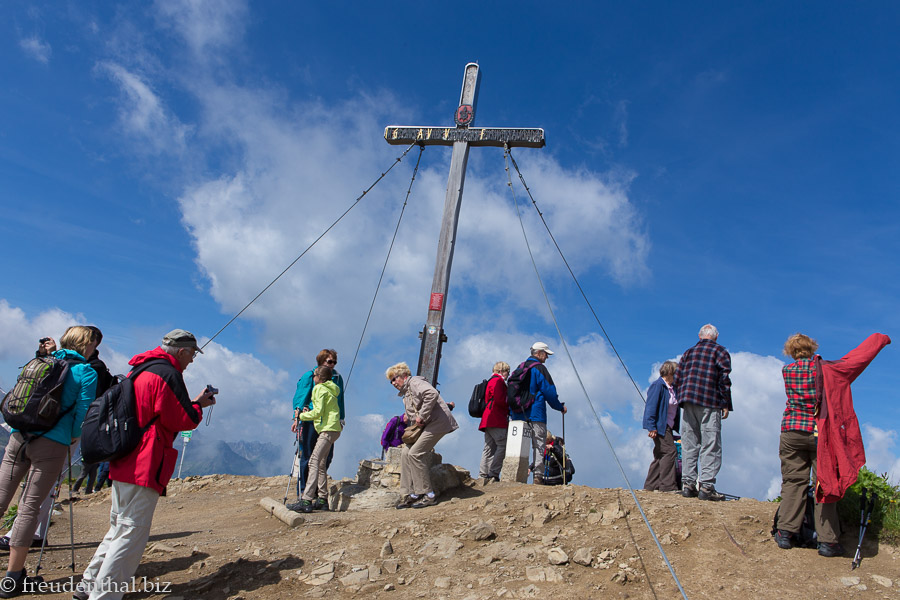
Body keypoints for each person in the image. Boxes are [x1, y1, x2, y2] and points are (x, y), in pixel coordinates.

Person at [74, 329, 216, 600]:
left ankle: (88, 585)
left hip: (124, 455)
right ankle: (104, 595)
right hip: (146, 459)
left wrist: (192, 402)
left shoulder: (141, 368)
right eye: (192, 355)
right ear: (182, 351)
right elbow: (181, 419)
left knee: (119, 526)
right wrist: (199, 406)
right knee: (132, 533)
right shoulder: (168, 374)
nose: (193, 361)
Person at [0, 326, 98, 597]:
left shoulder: (43, 360)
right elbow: (83, 413)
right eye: (92, 345)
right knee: (29, 508)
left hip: (18, 437)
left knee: (0, 497)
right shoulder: (85, 372)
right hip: (52, 444)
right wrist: (73, 438)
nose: (94, 349)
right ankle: (13, 578)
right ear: (86, 344)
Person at [774, 332, 891, 558]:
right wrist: (879, 339)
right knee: (824, 485)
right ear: (812, 348)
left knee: (792, 482)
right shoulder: (827, 369)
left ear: (790, 351)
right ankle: (827, 542)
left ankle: (786, 533)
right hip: (821, 434)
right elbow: (857, 359)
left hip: (791, 431)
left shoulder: (787, 371)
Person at [386, 362, 458, 509]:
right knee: (406, 453)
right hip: (429, 424)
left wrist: (422, 416)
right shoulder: (406, 392)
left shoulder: (415, 382)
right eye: (391, 380)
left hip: (438, 423)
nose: (393, 383)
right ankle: (410, 494)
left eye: (395, 378)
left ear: (404, 375)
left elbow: (432, 394)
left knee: (415, 453)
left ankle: (428, 494)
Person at [674, 324, 732, 501]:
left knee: (689, 442)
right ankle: (706, 486)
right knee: (710, 443)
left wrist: (682, 396)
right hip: (710, 401)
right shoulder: (720, 352)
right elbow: (724, 380)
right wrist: (726, 403)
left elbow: (677, 378)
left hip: (688, 401)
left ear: (699, 336)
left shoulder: (688, 353)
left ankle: (688, 484)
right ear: (716, 336)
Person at [509, 342, 566, 484]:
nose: (547, 357)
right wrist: (559, 407)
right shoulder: (540, 368)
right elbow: (549, 391)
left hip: (517, 413)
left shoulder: (520, 367)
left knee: (518, 444)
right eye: (546, 354)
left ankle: (514, 476)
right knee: (539, 444)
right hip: (536, 412)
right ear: (539, 353)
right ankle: (538, 477)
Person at [290, 350, 345, 496]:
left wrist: (341, 418)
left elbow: (340, 401)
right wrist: (298, 415)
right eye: (329, 361)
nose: (332, 364)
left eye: (334, 362)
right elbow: (301, 396)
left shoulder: (337, 378)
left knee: (324, 459)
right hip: (310, 421)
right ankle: (304, 493)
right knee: (308, 456)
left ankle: (314, 493)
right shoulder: (310, 376)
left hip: (326, 423)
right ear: (321, 362)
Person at [642, 361, 681, 492]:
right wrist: (651, 427)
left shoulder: (672, 388)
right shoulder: (658, 386)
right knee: (670, 451)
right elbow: (650, 407)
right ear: (670, 372)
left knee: (660, 454)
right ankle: (667, 486)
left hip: (668, 426)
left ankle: (650, 486)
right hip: (660, 426)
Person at [478, 361, 510, 483]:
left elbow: (489, 399)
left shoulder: (490, 381)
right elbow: (500, 400)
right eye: (507, 371)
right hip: (496, 418)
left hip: (487, 418)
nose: (508, 374)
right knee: (502, 444)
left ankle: (483, 474)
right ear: (501, 371)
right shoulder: (498, 381)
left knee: (488, 447)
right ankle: (493, 473)